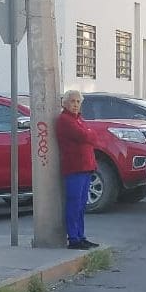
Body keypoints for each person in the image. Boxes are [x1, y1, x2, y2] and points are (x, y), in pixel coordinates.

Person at [56, 89, 100, 250]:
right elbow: (86, 136)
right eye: (72, 101)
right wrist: (89, 134)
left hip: (86, 167)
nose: (75, 105)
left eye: (78, 102)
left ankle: (81, 236)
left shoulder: (78, 119)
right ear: (65, 103)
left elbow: (93, 137)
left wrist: (89, 134)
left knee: (81, 205)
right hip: (75, 167)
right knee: (74, 204)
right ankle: (73, 238)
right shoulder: (65, 120)